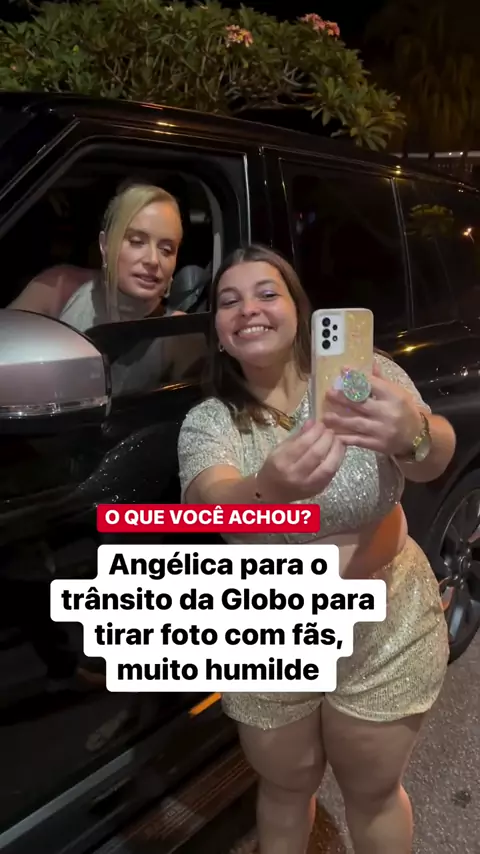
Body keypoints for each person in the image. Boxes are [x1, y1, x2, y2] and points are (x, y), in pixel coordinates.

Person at [177, 244, 456, 854]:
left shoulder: (362, 376)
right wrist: (268, 489)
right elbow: (212, 501)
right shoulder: (211, 420)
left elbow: (435, 455)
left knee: (373, 793)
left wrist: (412, 433)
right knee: (284, 788)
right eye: (229, 301)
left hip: (386, 626)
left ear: (300, 311)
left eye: (267, 293)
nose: (249, 309)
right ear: (219, 333)